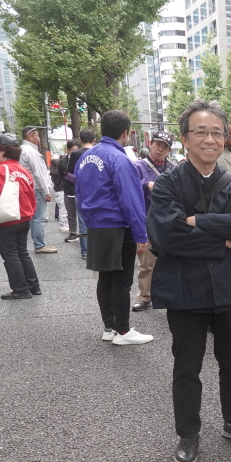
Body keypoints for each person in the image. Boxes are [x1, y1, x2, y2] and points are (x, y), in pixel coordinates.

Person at [147, 99, 231, 462]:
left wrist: (197, 222)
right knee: (187, 365)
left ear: (224, 138)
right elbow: (166, 237)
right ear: (185, 138)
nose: (210, 139)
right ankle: (188, 432)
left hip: (229, 288)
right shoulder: (166, 185)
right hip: (185, 290)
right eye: (201, 132)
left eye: (216, 132)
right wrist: (223, 241)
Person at [75, 110, 153, 346]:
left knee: (105, 278)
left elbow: (79, 194)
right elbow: (131, 199)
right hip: (118, 226)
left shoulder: (86, 157)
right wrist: (140, 234)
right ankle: (123, 330)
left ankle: (109, 327)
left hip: (96, 225)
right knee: (121, 280)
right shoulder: (119, 159)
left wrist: (89, 220)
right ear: (125, 133)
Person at [0, 133, 41, 299]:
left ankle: (20, 289)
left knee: (10, 255)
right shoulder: (23, 170)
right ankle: (33, 286)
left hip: (7, 218)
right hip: (24, 215)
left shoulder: (0, 169)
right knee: (22, 252)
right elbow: (31, 194)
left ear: (2, 150)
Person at [131, 130, 176, 312]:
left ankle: (171, 294)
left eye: (165, 147)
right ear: (150, 144)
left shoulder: (173, 168)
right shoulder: (138, 166)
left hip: (169, 222)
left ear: (169, 150)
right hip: (147, 222)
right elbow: (129, 187)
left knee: (171, 261)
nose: (160, 149)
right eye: (157, 144)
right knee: (146, 263)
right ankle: (144, 296)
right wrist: (146, 184)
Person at [20, 126, 58, 254]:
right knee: (40, 217)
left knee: (34, 218)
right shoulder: (31, 152)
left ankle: (39, 243)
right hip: (37, 188)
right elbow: (39, 173)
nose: (38, 138)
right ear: (30, 136)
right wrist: (46, 191)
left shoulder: (23, 149)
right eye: (36, 135)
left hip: (29, 187)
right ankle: (40, 245)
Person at [66, 130, 95, 257]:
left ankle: (85, 251)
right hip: (97, 190)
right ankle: (97, 250)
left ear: (81, 140)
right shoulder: (98, 152)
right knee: (97, 218)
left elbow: (70, 170)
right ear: (94, 139)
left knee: (83, 220)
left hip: (81, 189)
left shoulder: (76, 153)